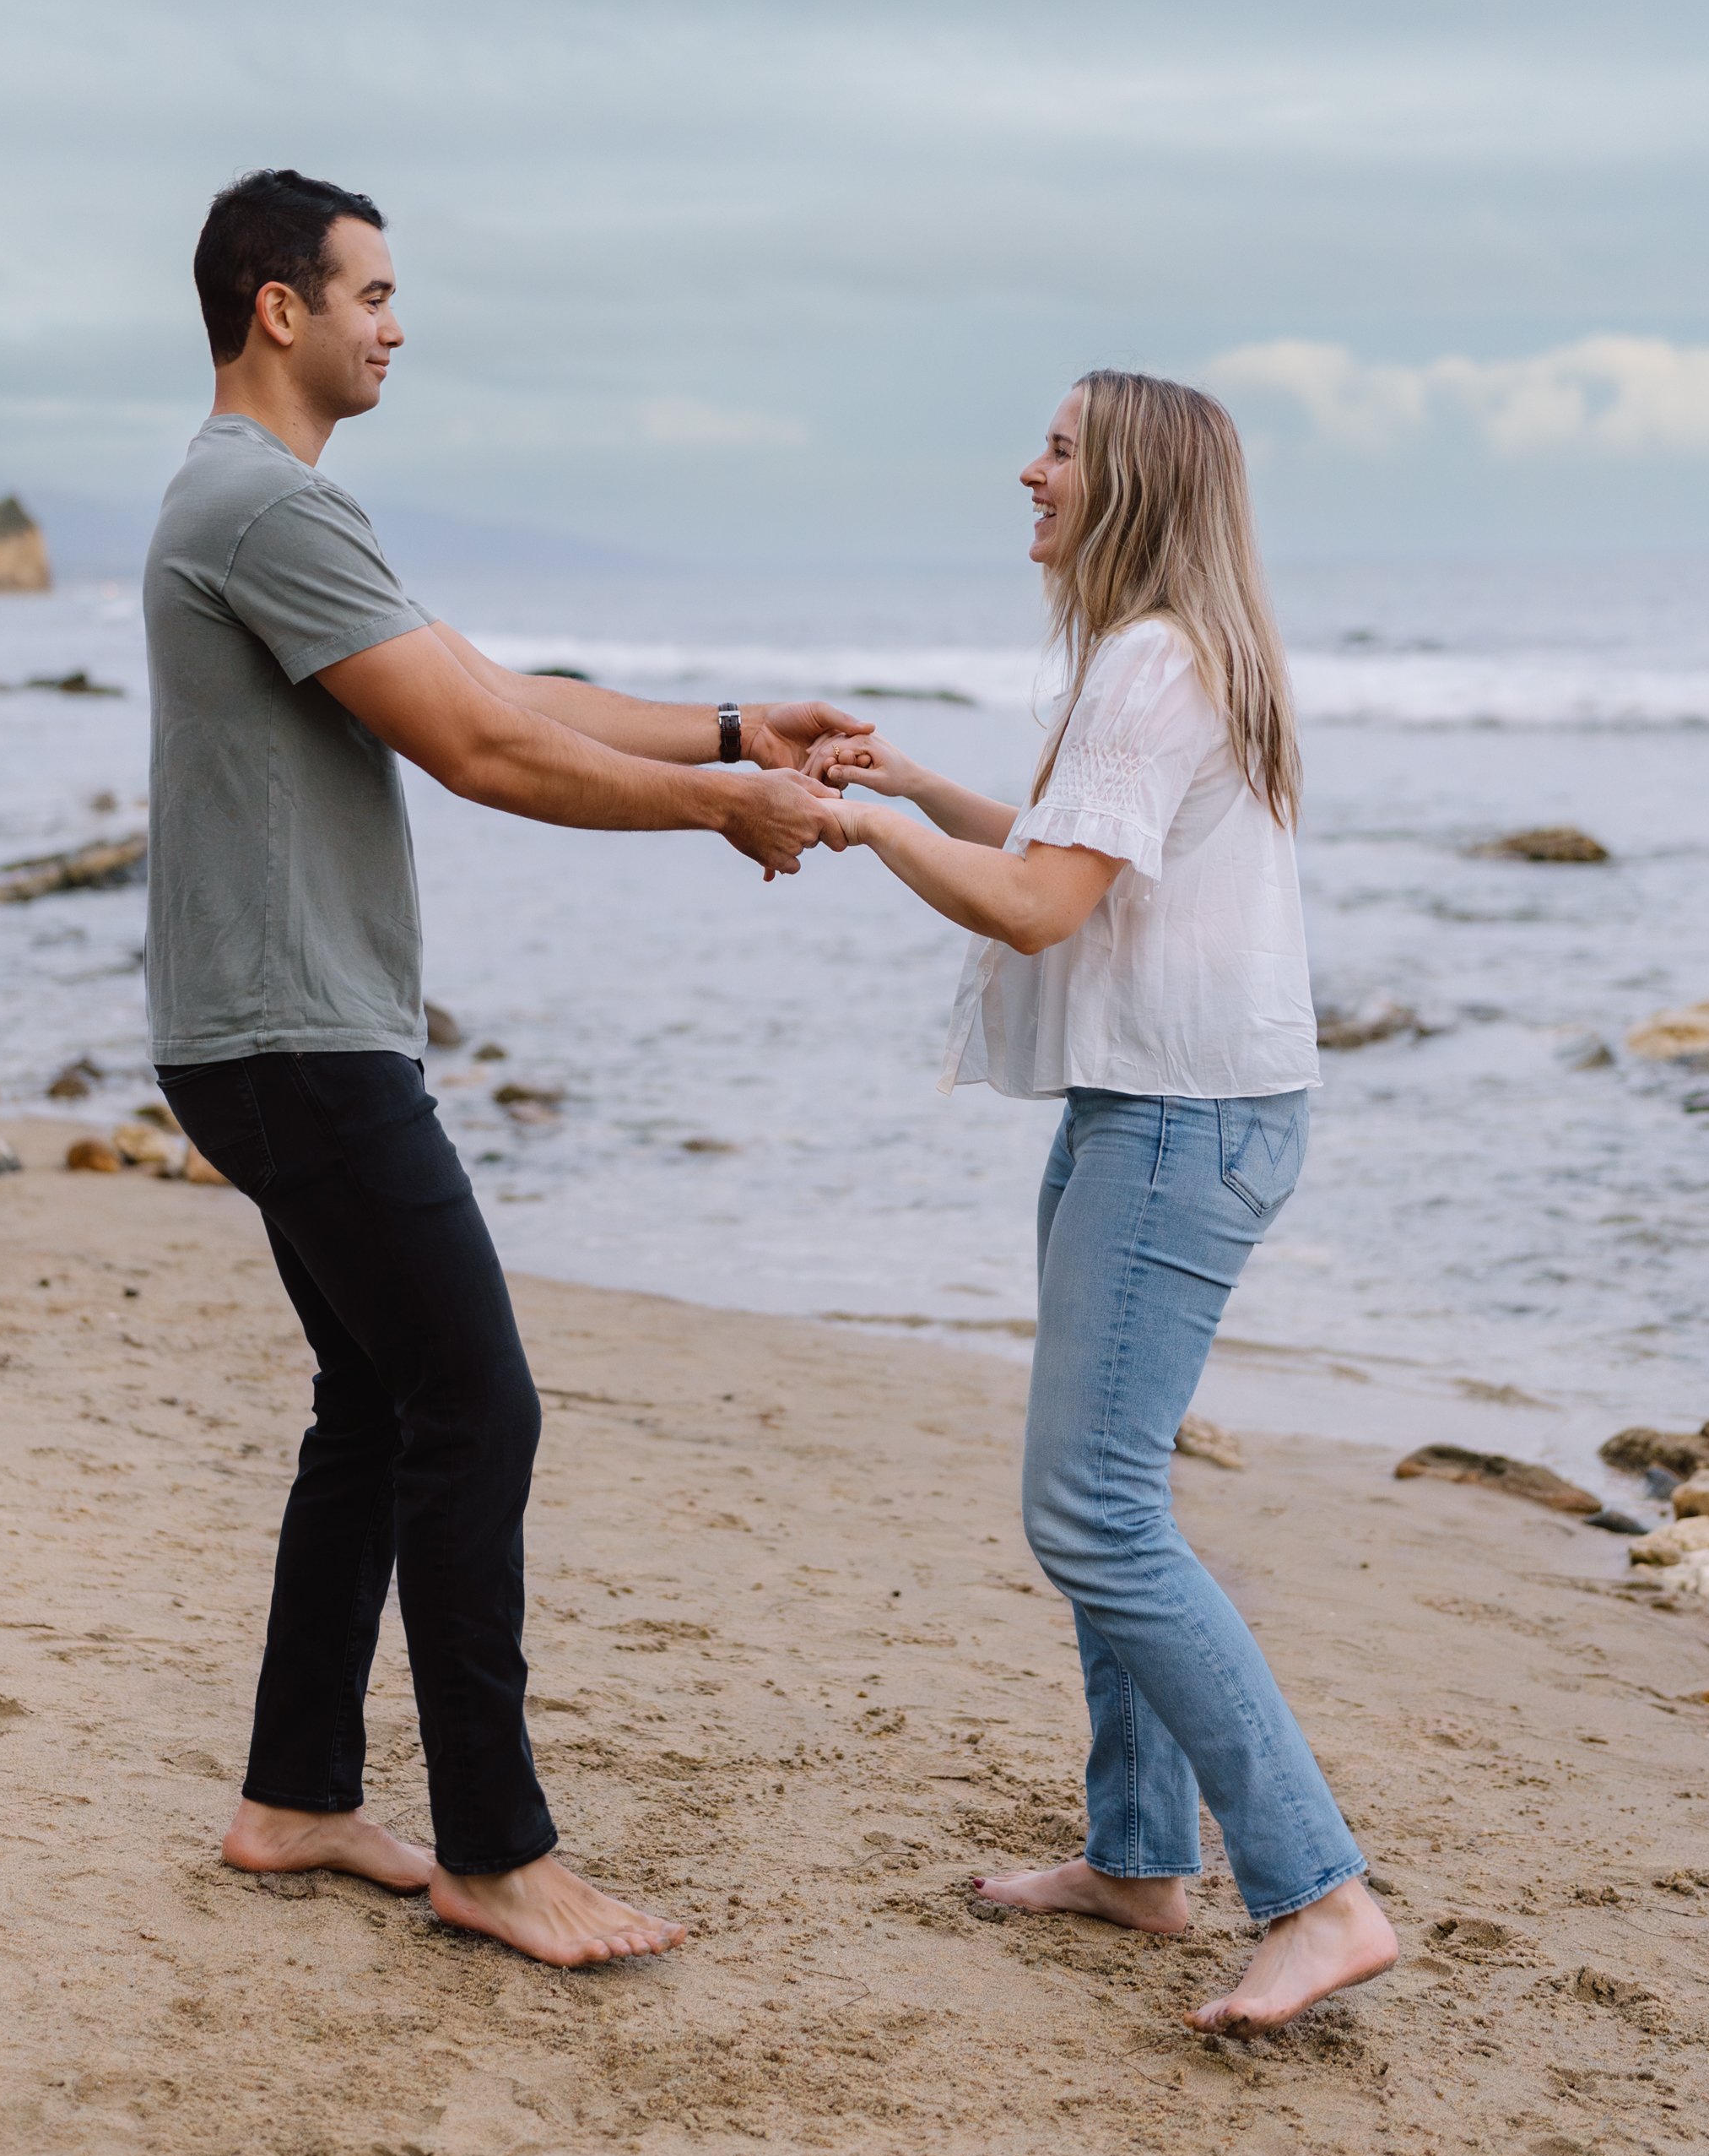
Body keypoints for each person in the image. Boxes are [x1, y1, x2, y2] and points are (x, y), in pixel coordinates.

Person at [143, 169, 860, 1969]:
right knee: (480, 1406)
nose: (397, 325)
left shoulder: (271, 506)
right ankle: (493, 1851)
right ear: (276, 307)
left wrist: (720, 727)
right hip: (299, 1037)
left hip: (276, 1030)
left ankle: (296, 1798)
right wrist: (725, 806)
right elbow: (479, 750)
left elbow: (491, 683)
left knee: (379, 1409)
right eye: (371, 293)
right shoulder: (260, 505)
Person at [809, 369, 1397, 2036]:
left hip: (1175, 1123)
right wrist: (919, 786)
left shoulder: (1150, 663)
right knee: (1105, 1500)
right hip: (1157, 1108)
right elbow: (1069, 850)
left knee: (1091, 1513)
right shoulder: (1166, 654)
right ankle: (1138, 1860)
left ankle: (1317, 1892)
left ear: (1127, 479)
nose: (1027, 469)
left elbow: (1039, 909)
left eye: (1056, 449)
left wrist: (847, 822)